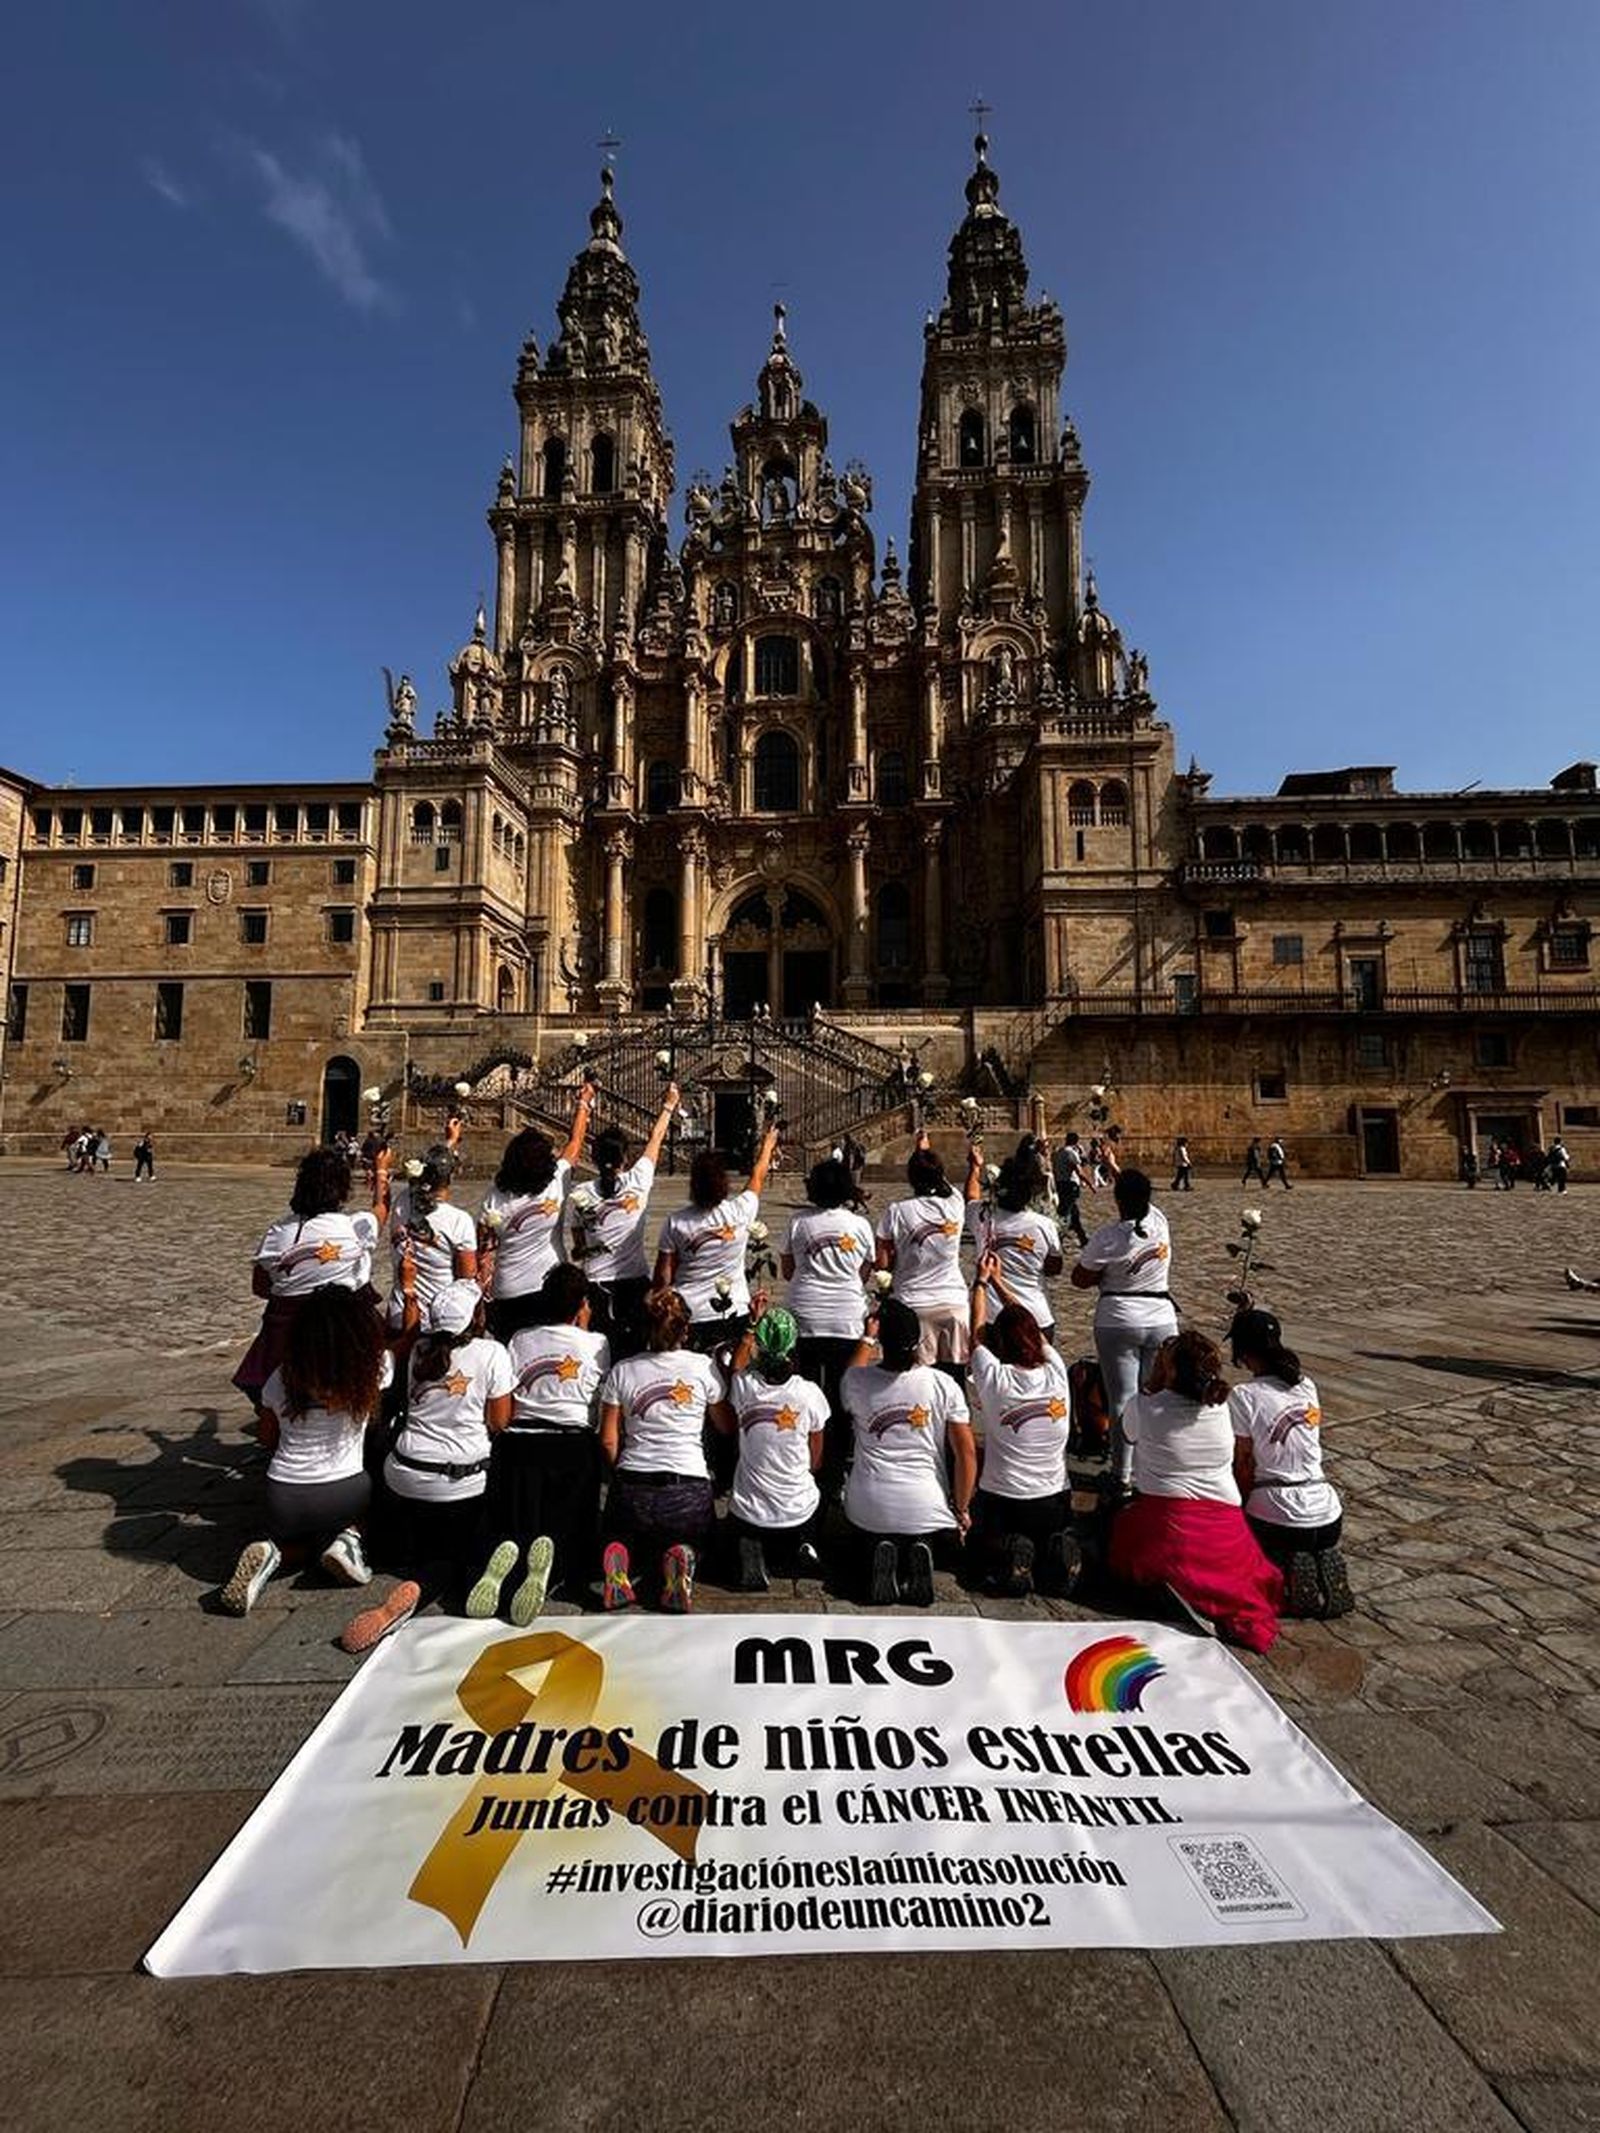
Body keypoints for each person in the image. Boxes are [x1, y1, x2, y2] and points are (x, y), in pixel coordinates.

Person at [340, 1275, 513, 1654]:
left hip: (403, 1473)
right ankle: (418, 1591)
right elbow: (500, 1422)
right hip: (458, 1482)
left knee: (421, 1535)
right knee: (450, 1558)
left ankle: (389, 1547)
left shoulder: (418, 1350)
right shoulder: (492, 1353)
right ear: (476, 1319)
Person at [219, 1286, 390, 1616]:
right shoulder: (374, 1369)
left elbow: (266, 1438)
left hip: (281, 1496)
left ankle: (274, 1552)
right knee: (369, 1496)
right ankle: (349, 1540)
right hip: (347, 1493)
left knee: (302, 1539)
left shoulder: (281, 1377)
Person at [1109, 1329, 1284, 1651]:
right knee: (1243, 1574)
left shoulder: (1145, 1406)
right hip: (1224, 1519)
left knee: (1119, 1537)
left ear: (1170, 1369)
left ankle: (1170, 1589)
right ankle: (1195, 1595)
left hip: (1166, 1518)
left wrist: (1151, 1386)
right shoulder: (1221, 1408)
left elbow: (1128, 1434)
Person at [471, 1262, 611, 1621]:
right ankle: (556, 1571)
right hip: (571, 1444)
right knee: (570, 1527)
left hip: (520, 1444)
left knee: (517, 1523)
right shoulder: (597, 1343)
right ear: (581, 1305)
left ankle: (509, 1567)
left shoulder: (519, 1339)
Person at [597, 1286, 730, 1612]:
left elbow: (608, 1439)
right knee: (704, 1541)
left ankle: (620, 1559)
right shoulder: (703, 1367)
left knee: (621, 1533)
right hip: (687, 1488)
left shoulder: (622, 1370)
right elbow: (726, 1426)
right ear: (685, 1329)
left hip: (633, 1487)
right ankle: (683, 1557)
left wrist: (620, 1473)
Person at [841, 1296, 976, 1606]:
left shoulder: (856, 1381)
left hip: (869, 1506)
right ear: (918, 1340)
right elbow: (966, 1452)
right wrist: (962, 1509)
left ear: (882, 1342)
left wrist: (867, 1337)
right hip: (927, 1504)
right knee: (931, 1536)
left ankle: (880, 1553)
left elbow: (854, 1368)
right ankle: (917, 1551)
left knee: (863, 1541)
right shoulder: (943, 1384)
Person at [966, 1251, 1079, 1596]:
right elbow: (1029, 1322)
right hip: (1053, 1498)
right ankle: (1053, 1550)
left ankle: (1010, 1553)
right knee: (1048, 1532)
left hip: (1004, 1497)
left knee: (978, 1542)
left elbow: (976, 1332)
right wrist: (999, 1282)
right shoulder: (1055, 1370)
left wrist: (982, 1283)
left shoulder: (996, 1377)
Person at [233, 1145, 379, 1409]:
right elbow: (379, 1213)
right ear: (344, 1189)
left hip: (285, 1338)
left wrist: (300, 1285)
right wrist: (380, 1176)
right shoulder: (352, 1229)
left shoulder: (278, 1233)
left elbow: (261, 1286)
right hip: (343, 1339)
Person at [1227, 1306, 1351, 1619]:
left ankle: (1282, 1571)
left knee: (1242, 1529)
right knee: (1303, 1534)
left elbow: (1244, 1463)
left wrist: (1236, 1506)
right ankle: (1314, 1559)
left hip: (1277, 1513)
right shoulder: (1306, 1385)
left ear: (1242, 1351)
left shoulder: (1243, 1396)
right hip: (1327, 1512)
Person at [1071, 1168, 1178, 1488]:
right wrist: (1114, 1165)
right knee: (1154, 1396)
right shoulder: (1160, 1222)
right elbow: (1136, 1191)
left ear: (1118, 1201)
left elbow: (1079, 1278)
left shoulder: (1108, 1237)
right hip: (1161, 1317)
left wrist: (1106, 1274)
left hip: (1118, 1318)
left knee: (1122, 1399)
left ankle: (1122, 1474)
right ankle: (1152, 1468)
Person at [714, 1302, 829, 1590]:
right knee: (815, 1493)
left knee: (738, 1526)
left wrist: (750, 1327)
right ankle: (805, 1545)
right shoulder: (809, 1393)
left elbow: (736, 1366)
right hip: (798, 1509)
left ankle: (751, 1546)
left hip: (750, 1511)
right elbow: (816, 1457)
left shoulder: (745, 1386)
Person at [781, 1154, 876, 1494]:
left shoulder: (798, 1223)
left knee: (804, 1394)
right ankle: (835, 1473)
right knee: (841, 1396)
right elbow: (865, 1272)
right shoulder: (860, 1226)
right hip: (846, 1319)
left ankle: (803, 1464)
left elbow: (788, 1271)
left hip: (804, 1316)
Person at [568, 1082, 681, 1356]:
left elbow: (579, 1248)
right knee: (633, 1353)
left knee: (598, 1354)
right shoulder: (638, 1180)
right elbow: (656, 1139)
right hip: (634, 1284)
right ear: (625, 1158)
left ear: (593, 1158)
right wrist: (669, 1105)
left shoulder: (580, 1194)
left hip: (595, 1285)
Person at [477, 1084, 596, 1341]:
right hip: (550, 1286)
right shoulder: (555, 1184)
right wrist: (583, 1104)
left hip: (507, 1288)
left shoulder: (494, 1197)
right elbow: (575, 1143)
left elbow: (484, 1250)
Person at [654, 1123, 778, 1354]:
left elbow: (663, 1276)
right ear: (723, 1183)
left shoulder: (676, 1222)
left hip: (690, 1314)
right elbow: (758, 1176)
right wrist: (768, 1145)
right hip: (733, 1310)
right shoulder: (740, 1211)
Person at [876, 1131, 970, 1382]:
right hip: (953, 1303)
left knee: (916, 1383)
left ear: (910, 1177)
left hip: (912, 1305)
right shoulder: (955, 1204)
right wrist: (924, 1151)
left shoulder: (896, 1212)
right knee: (954, 1381)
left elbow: (882, 1263)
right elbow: (944, 1182)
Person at [374, 1121, 476, 1329]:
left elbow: (383, 1200)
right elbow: (466, 1277)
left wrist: (381, 1170)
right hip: (440, 1319)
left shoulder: (402, 1202)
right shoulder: (458, 1220)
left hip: (399, 1316)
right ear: (451, 1177)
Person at [964, 1145, 1064, 1339]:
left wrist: (975, 1167)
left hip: (992, 1317)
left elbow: (971, 1197)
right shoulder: (1044, 1226)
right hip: (1035, 1316)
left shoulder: (982, 1215)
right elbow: (1054, 1268)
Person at [1052, 1131, 1089, 1247]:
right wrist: (1090, 1184)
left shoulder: (1058, 1152)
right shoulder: (1071, 1153)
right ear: (1076, 1141)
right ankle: (1057, 1239)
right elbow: (1079, 1171)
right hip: (1070, 1185)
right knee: (1065, 1214)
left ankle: (1083, 1238)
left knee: (1073, 1212)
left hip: (1060, 1184)